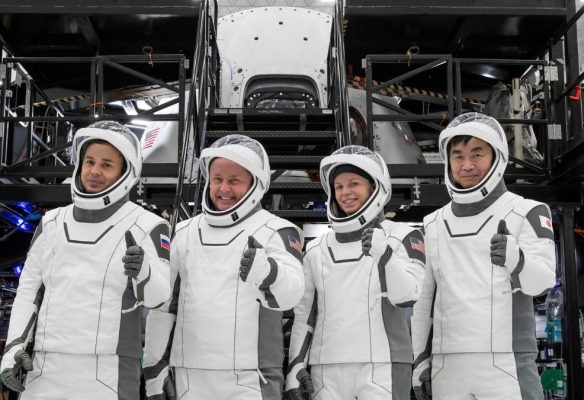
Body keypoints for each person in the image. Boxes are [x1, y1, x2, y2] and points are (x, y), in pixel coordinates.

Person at [0, 121, 172, 400]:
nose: (94, 171)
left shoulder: (148, 225)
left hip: (109, 373)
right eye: (89, 161)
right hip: (44, 369)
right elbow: (29, 292)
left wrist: (144, 272)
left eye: (106, 165)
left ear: (126, 172)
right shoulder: (52, 222)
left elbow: (161, 299)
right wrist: (13, 348)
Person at [143, 134, 305, 400]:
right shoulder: (184, 232)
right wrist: (153, 367)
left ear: (255, 183)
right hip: (189, 376)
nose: (223, 188)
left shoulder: (277, 230)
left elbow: (293, 294)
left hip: (252, 378)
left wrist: (268, 272)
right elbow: (164, 306)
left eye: (234, 181)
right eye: (217, 179)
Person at [411, 113, 556, 400]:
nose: (466, 165)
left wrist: (517, 261)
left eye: (477, 154)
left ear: (497, 157)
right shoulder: (433, 224)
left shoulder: (527, 211)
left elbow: (543, 283)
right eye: (457, 156)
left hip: (507, 363)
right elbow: (422, 301)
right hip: (447, 367)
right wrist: (420, 360)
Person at [285, 145, 426, 400]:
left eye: (354, 184)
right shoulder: (317, 248)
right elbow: (305, 315)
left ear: (374, 187)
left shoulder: (403, 236)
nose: (345, 193)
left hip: (384, 365)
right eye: (338, 187)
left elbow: (409, 296)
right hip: (326, 368)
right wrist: (296, 364)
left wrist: (386, 257)